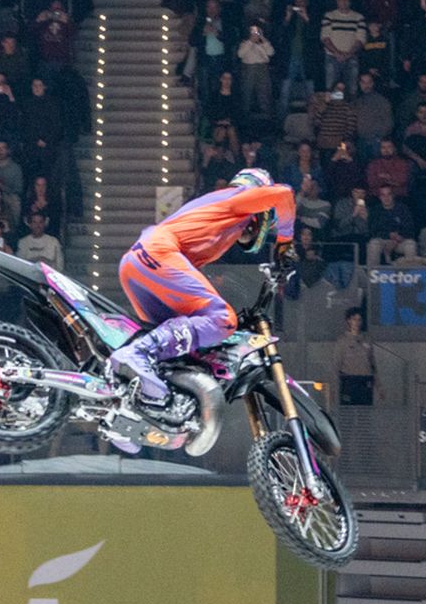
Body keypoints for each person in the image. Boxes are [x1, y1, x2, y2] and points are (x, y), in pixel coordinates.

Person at [108, 168, 295, 431]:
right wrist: (285, 242)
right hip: (158, 252)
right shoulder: (235, 199)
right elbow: (284, 195)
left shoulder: (217, 217)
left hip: (135, 263)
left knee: (174, 348)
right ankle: (136, 353)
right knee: (222, 319)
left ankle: (127, 412)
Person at [334, 308, 376, 407]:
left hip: (365, 379)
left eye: (359, 320)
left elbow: (373, 363)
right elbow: (336, 364)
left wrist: (378, 384)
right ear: (349, 321)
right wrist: (334, 387)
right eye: (354, 319)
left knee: (364, 410)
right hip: (349, 379)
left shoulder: (367, 339)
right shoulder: (342, 341)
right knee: (348, 409)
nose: (356, 323)